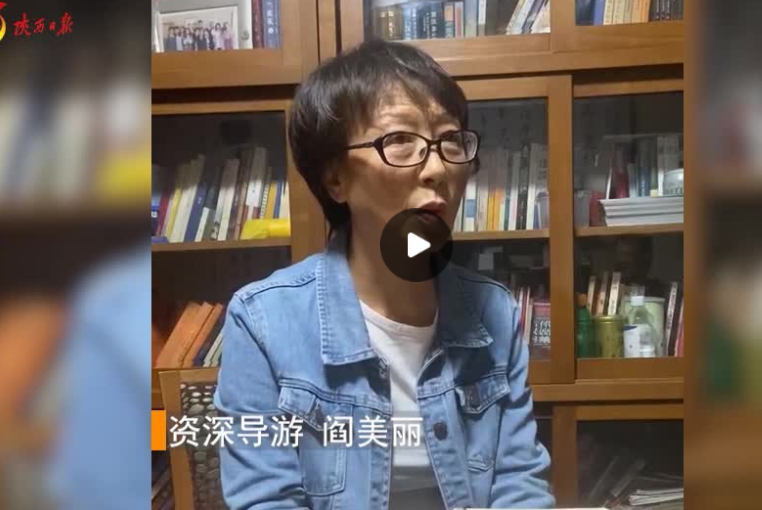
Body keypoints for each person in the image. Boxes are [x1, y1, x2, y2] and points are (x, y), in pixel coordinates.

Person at [215, 40, 554, 510]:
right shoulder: (264, 321)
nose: (437, 168)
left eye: (450, 140)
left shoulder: (494, 311)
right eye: (400, 141)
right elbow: (266, 500)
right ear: (336, 179)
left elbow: (519, 485)